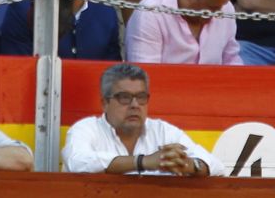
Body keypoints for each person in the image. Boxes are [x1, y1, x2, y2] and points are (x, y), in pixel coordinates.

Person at [63, 63, 224, 175]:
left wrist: (188, 165)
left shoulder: (162, 131)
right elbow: (78, 163)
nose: (135, 105)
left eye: (141, 97)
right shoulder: (86, 128)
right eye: (125, 97)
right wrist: (143, 162)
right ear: (104, 103)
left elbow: (217, 166)